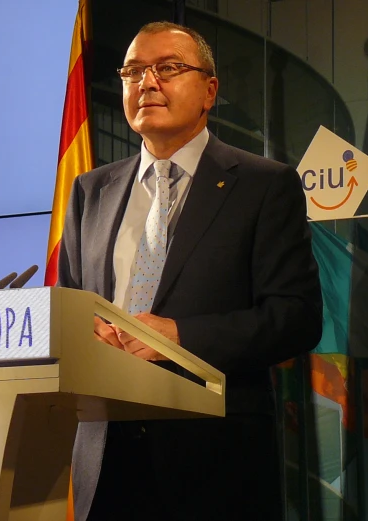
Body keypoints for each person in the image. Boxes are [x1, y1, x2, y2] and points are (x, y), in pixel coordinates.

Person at [56, 21, 323, 521]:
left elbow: (296, 317)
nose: (147, 82)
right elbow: (71, 305)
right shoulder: (90, 191)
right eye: (133, 71)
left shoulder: (264, 186)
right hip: (106, 456)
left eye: (168, 68)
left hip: (215, 459)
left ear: (209, 91)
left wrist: (179, 335)